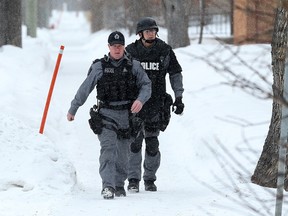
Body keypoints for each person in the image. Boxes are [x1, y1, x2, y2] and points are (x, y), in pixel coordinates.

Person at [67, 31, 151, 199]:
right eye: (114, 46)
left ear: (124, 47)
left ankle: (119, 184)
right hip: (106, 115)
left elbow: (146, 85)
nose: (117, 49)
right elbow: (85, 88)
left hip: (127, 116)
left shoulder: (133, 65)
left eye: (120, 46)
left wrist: (140, 100)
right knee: (108, 150)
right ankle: (108, 186)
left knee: (123, 155)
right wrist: (73, 108)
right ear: (109, 47)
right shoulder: (100, 66)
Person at [125, 17, 184, 192]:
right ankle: (133, 179)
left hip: (156, 104)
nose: (151, 33)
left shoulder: (164, 51)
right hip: (135, 105)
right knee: (134, 143)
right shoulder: (131, 51)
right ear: (140, 33)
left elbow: (175, 74)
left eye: (153, 30)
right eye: (147, 31)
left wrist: (178, 97)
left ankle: (150, 179)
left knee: (152, 144)